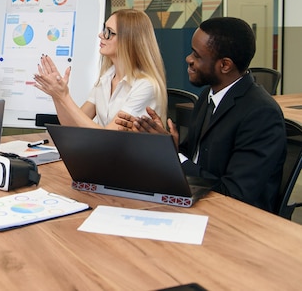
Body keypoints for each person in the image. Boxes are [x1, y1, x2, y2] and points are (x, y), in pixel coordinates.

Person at [116, 17, 286, 213]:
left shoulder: (261, 114)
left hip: (237, 221)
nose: (189, 59)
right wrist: (163, 144)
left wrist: (174, 155)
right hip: (198, 204)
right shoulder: (208, 95)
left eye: (197, 55)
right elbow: (194, 158)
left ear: (225, 65)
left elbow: (236, 194)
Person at [34, 8, 167, 130]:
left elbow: (108, 137)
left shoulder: (145, 85)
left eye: (109, 32)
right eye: (104, 29)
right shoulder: (107, 78)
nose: (101, 35)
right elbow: (71, 126)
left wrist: (65, 97)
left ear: (128, 40)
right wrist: (57, 95)